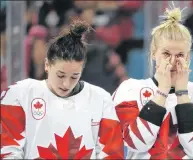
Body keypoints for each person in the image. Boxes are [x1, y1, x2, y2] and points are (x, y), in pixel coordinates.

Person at [0, 20, 124, 159]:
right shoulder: (20, 94)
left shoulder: (101, 99)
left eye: (74, 76)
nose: (66, 84)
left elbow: (111, 153)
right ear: (47, 65)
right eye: (60, 75)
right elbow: (9, 150)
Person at [112, 6, 193, 159]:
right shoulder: (130, 88)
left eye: (180, 55)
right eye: (166, 53)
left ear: (188, 57)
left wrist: (182, 95)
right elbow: (136, 142)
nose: (173, 61)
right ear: (154, 53)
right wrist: (162, 91)